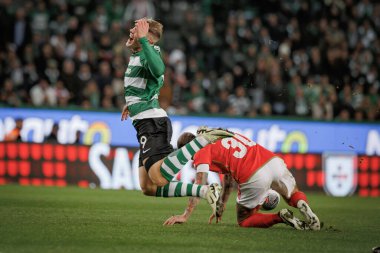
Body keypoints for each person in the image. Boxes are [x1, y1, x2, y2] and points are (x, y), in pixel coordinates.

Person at [120, 18, 233, 214]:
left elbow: (159, 69)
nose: (131, 31)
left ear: (149, 37)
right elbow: (148, 85)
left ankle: (203, 140)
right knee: (148, 187)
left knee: (159, 178)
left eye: (136, 29)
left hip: (152, 122)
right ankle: (206, 191)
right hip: (144, 120)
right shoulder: (139, 54)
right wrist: (131, 104)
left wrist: (144, 40)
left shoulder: (150, 51)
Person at [163, 130, 321, 230]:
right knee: (293, 194)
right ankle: (304, 206)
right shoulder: (216, 134)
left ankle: (280, 216)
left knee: (245, 219)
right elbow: (228, 175)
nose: (190, 159)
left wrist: (185, 215)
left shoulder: (199, 150)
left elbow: (200, 183)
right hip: (271, 160)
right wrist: (222, 203)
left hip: (253, 175)